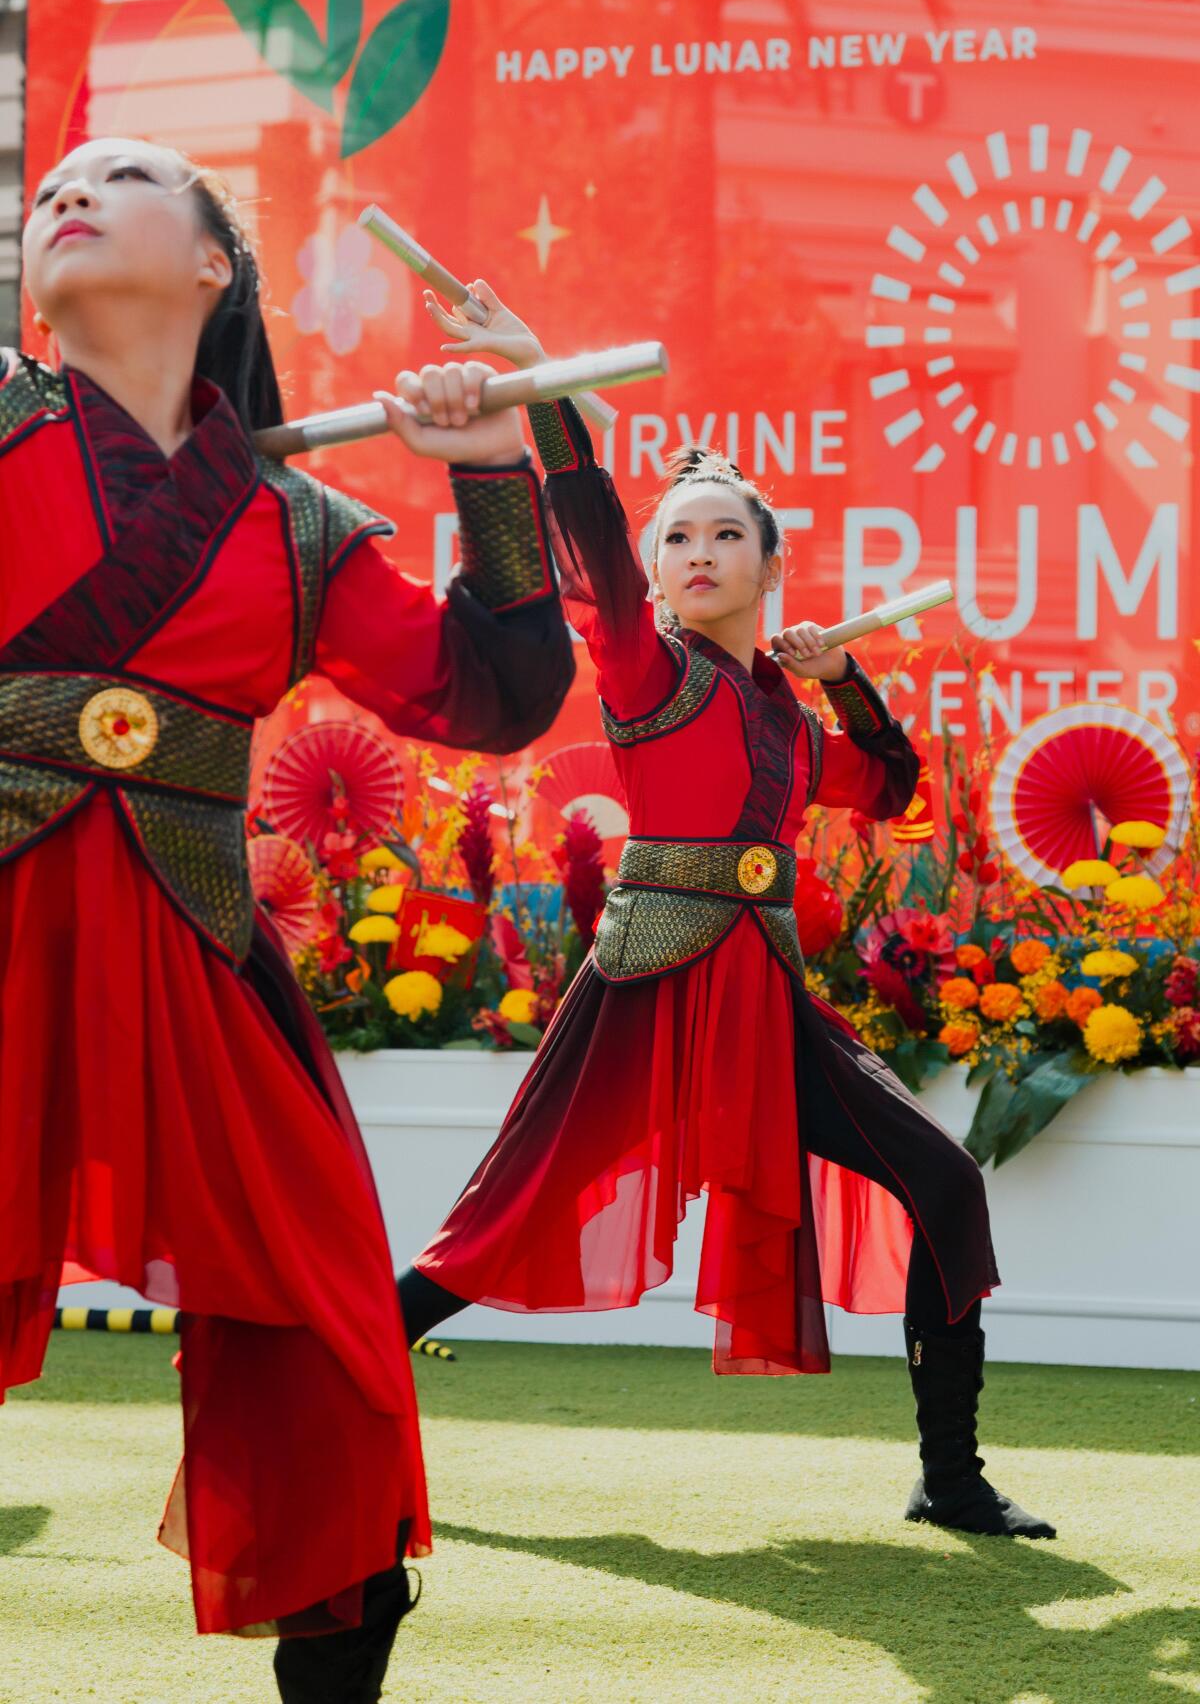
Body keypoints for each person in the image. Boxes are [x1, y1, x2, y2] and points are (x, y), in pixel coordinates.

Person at [0, 137, 574, 1702]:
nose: (65, 191)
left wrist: (492, 466)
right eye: (48, 183)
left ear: (212, 267)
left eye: (116, 177)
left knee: (332, 1356)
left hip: (188, 954)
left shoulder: (303, 528)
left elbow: (501, 692)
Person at [396, 282, 1055, 1543]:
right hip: (647, 993)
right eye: (677, 541)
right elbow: (587, 535)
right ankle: (323, 1370)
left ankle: (952, 1480)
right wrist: (543, 378)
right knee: (504, 1215)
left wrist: (846, 678)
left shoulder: (790, 726)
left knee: (945, 1184)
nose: (696, 555)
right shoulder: (652, 668)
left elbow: (899, 788)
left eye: (721, 538)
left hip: (762, 1003)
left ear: (769, 559)